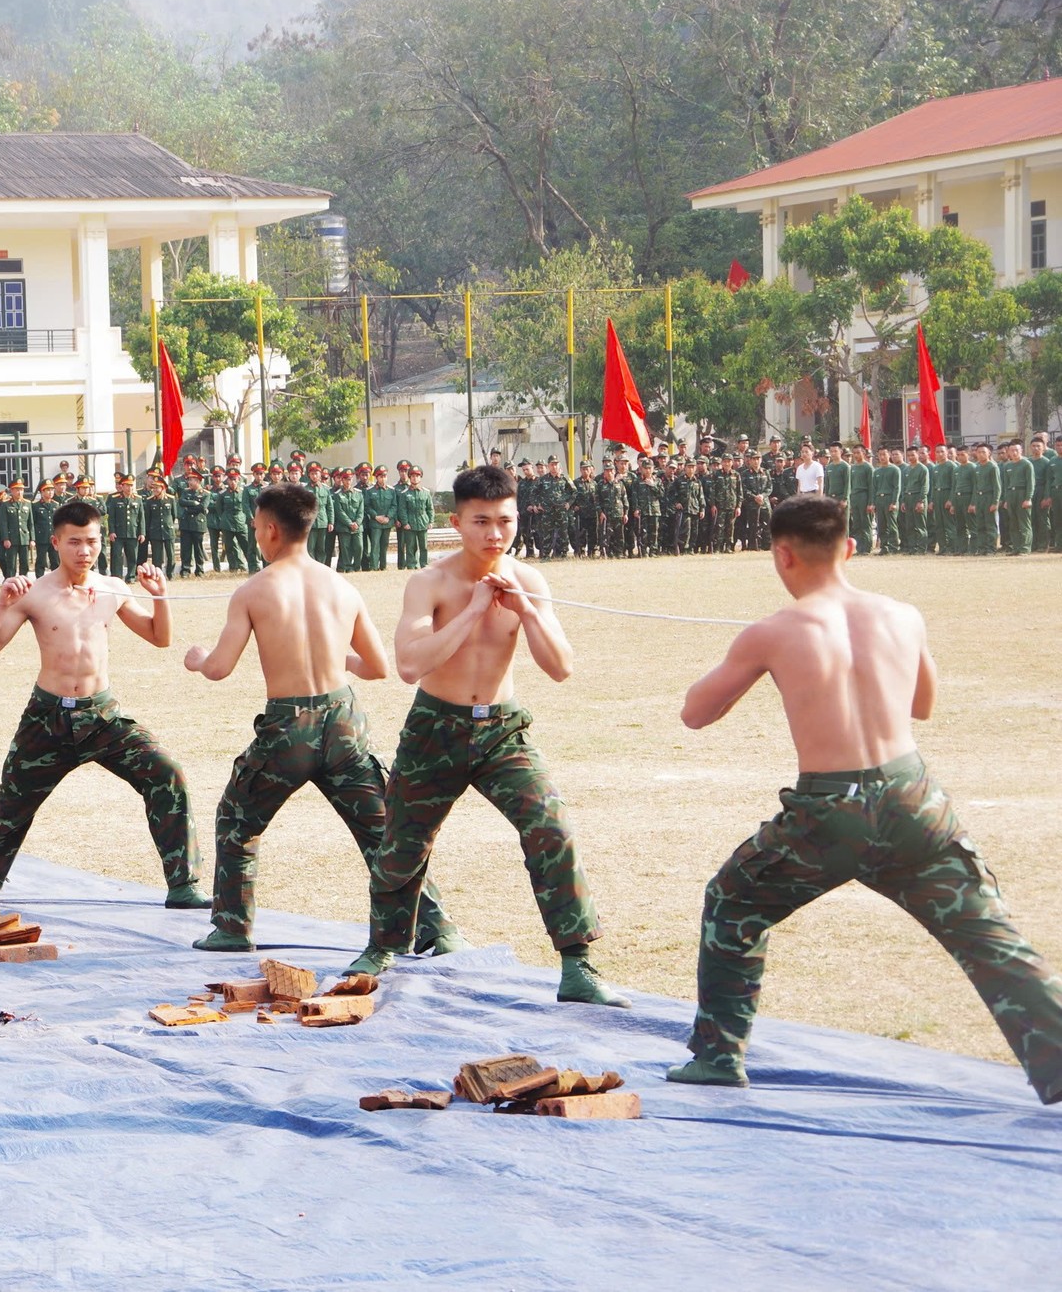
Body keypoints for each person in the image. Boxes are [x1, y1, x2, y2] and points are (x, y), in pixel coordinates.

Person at [668, 494, 1062, 1100]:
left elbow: (696, 714)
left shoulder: (773, 631)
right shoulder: (902, 615)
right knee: (989, 938)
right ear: (849, 547)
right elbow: (923, 706)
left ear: (782, 554)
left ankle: (719, 1057)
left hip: (830, 811)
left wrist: (761, 652)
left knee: (733, 900)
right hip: (911, 799)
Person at [364, 464, 624, 1002]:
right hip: (436, 727)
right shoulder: (430, 582)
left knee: (550, 827)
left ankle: (578, 964)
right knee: (401, 842)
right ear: (456, 522)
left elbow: (561, 667)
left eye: (504, 521)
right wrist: (474, 611)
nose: (494, 534)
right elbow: (410, 665)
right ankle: (383, 947)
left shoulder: (528, 581)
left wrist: (526, 611)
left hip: (502, 730)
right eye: (481, 521)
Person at [182, 483, 442, 960]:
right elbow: (378, 667)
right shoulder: (342, 586)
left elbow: (219, 667)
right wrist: (331, 654)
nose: (256, 535)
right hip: (343, 718)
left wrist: (197, 658)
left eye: (257, 527)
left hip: (289, 726)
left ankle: (233, 926)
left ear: (271, 529)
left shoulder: (254, 590)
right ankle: (435, 926)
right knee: (383, 831)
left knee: (237, 821)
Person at [0, 499, 208, 909]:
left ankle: (184, 884)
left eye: (91, 542)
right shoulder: (33, 592)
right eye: (74, 542)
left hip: (102, 715)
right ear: (56, 542)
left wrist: (160, 597)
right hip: (48, 716)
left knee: (166, 772)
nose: (84, 551)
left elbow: (159, 638)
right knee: (14, 799)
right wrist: (0, 604)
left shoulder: (112, 588)